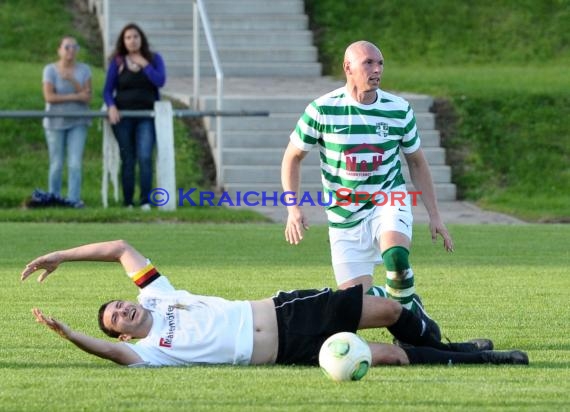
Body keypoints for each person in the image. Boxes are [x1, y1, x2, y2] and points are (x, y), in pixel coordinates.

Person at [21, 240, 528, 368]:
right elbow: (107, 355)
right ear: (125, 336)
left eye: (119, 305)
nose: (123, 312)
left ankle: (457, 347)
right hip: (288, 351)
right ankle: (483, 359)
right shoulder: (149, 353)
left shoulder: (158, 294)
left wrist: (60, 255)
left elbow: (117, 249)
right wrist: (70, 336)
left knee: (389, 311)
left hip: (289, 312)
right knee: (389, 356)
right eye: (116, 321)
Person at [281, 40, 453, 335]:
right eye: (368, 63)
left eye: (380, 63)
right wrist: (292, 208)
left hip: (388, 198)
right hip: (343, 216)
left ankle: (417, 335)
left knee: (397, 258)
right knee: (356, 307)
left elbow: (417, 163)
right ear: (348, 68)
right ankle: (410, 304)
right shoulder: (322, 109)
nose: (377, 70)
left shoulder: (398, 109)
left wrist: (435, 215)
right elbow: (292, 158)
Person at [103, 23, 166, 210]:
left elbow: (160, 81)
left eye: (135, 37)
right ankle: (128, 201)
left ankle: (146, 200)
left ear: (142, 39)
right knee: (128, 158)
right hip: (124, 117)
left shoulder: (154, 59)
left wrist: (144, 64)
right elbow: (107, 90)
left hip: (146, 116)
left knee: (145, 157)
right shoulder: (118, 62)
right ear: (123, 41)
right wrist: (111, 106)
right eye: (128, 37)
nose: (132, 40)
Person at [42, 36, 92, 207]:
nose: (70, 50)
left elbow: (87, 97)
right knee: (56, 163)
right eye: (67, 47)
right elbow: (49, 97)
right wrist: (75, 96)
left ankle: (73, 200)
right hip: (55, 122)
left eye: (74, 47)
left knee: (75, 163)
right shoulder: (50, 70)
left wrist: (72, 80)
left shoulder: (84, 70)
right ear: (59, 50)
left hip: (78, 121)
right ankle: (53, 199)